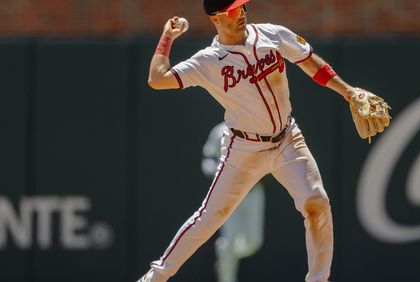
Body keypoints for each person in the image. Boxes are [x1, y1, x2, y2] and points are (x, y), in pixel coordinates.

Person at [138, 0, 370, 281]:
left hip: (288, 139)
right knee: (209, 218)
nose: (242, 13)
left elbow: (310, 62)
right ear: (216, 18)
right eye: (234, 10)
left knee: (316, 202)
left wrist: (348, 92)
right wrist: (167, 38)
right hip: (244, 148)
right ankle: (155, 277)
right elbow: (157, 78)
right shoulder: (208, 60)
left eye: (244, 7)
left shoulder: (272, 34)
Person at [202, 122, 265, 282]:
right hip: (229, 193)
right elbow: (208, 158)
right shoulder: (219, 131)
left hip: (253, 191)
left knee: (253, 242)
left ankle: (225, 254)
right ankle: (226, 274)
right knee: (229, 239)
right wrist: (213, 170)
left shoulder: (259, 127)